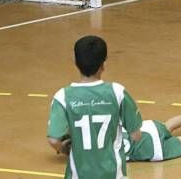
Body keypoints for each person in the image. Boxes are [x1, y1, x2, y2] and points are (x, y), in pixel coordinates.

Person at [47, 35, 143, 179]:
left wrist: (65, 149)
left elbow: (54, 140)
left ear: (75, 62)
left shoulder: (62, 97)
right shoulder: (117, 92)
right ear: (103, 64)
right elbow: (136, 136)